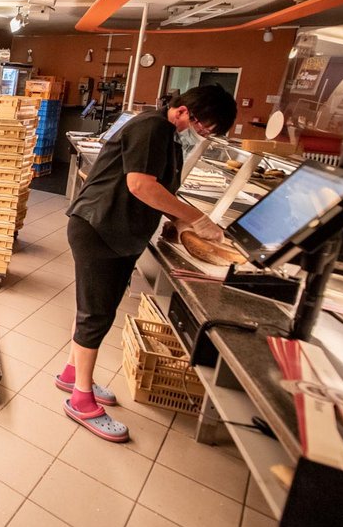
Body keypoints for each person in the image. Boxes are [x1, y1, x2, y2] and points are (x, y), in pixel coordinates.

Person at [58, 85, 237, 442]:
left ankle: (71, 373)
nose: (202, 132)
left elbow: (157, 188)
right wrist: (195, 218)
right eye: (204, 125)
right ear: (185, 110)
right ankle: (80, 399)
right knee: (96, 314)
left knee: (99, 309)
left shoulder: (167, 133)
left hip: (116, 230)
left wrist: (174, 217)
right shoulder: (152, 127)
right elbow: (140, 185)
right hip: (100, 228)